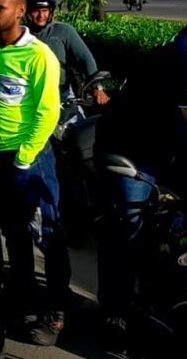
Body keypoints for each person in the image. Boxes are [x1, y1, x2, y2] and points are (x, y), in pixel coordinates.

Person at [0, 0, 69, 346]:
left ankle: (57, 311)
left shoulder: (40, 56)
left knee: (48, 235)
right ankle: (24, 302)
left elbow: (48, 112)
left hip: (29, 160)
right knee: (13, 235)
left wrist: (24, 158)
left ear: (20, 11)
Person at [95, 26, 187, 357]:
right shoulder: (175, 59)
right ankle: (115, 312)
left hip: (169, 149)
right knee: (128, 227)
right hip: (131, 152)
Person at [25, 0, 110, 108]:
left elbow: (85, 58)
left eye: (45, 11)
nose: (41, 16)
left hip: (61, 95)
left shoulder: (63, 31)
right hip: (28, 97)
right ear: (27, 12)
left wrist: (97, 88)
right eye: (36, 11)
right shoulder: (20, 34)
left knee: (77, 124)